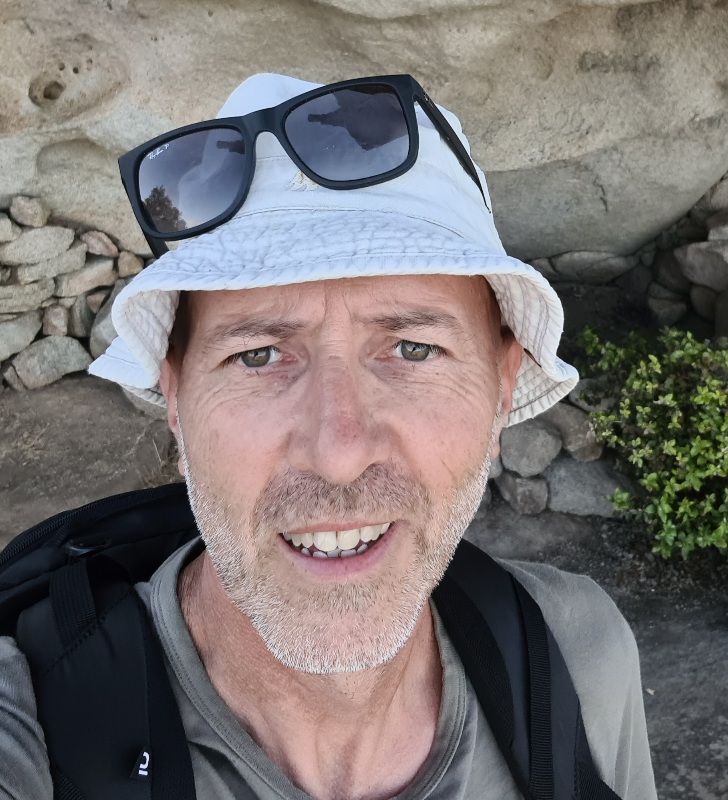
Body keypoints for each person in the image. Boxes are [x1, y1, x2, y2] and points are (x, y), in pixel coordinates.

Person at [0, 73, 657, 800]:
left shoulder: (577, 655)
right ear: (177, 401)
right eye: (258, 355)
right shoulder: (30, 718)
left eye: (412, 349)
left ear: (501, 391)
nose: (340, 454)